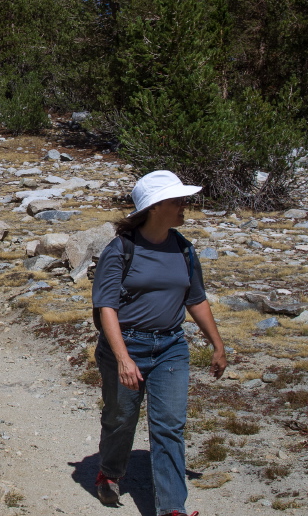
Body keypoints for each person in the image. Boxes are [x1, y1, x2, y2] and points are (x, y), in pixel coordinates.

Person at [91, 170, 227, 516]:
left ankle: (172, 509)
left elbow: (195, 298)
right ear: (153, 207)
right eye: (177, 200)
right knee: (122, 417)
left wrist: (217, 344)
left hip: (171, 347)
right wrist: (123, 359)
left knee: (169, 425)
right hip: (127, 345)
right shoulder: (121, 249)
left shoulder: (183, 248)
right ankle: (110, 472)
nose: (185, 205)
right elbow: (106, 307)